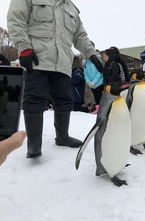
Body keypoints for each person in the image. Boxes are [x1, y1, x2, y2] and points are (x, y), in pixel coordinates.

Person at [7, 0, 104, 158]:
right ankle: (34, 145)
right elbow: (16, 18)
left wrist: (91, 54)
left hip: (62, 63)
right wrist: (23, 47)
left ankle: (62, 137)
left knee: (64, 99)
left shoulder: (70, 7)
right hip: (37, 59)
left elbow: (80, 35)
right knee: (34, 99)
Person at [83, 42, 104, 106]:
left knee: (99, 97)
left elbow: (100, 72)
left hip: (98, 83)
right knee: (94, 96)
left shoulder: (97, 59)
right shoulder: (86, 62)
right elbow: (85, 73)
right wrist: (89, 82)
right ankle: (97, 108)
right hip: (91, 84)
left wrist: (94, 82)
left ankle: (100, 109)